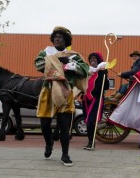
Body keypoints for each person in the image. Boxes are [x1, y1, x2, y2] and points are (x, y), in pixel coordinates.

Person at [34, 26, 89, 166]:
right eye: (56, 36)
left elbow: (84, 71)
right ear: (53, 39)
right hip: (48, 90)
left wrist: (69, 64)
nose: (58, 39)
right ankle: (49, 143)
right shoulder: (46, 52)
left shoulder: (73, 55)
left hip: (66, 90)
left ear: (66, 40)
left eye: (61, 37)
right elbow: (38, 64)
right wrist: (56, 66)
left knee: (65, 125)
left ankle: (65, 154)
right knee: (45, 124)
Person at [82, 52, 109, 150]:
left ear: (98, 61)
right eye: (91, 59)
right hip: (85, 99)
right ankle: (90, 142)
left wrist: (105, 73)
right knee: (87, 121)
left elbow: (106, 86)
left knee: (91, 121)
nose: (92, 61)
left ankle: (91, 142)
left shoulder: (102, 72)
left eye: (95, 59)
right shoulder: (88, 71)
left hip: (96, 98)